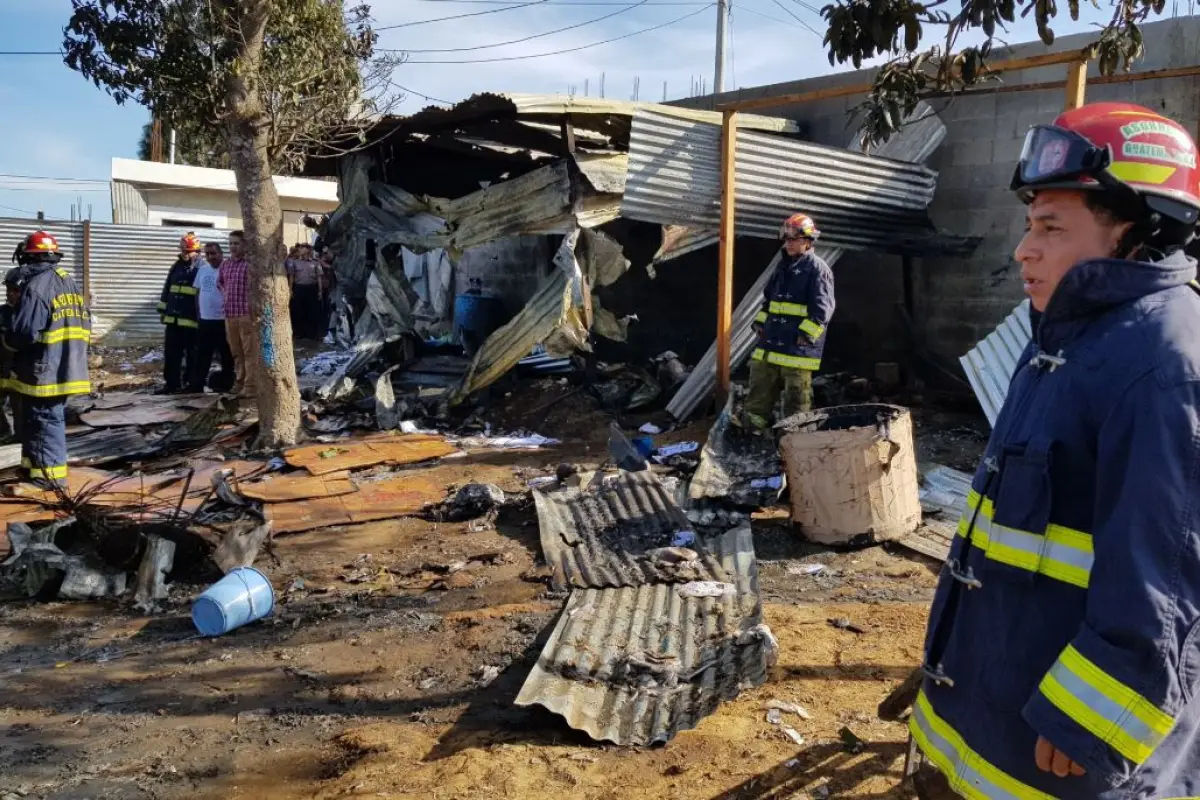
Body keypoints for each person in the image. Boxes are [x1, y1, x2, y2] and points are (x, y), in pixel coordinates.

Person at [909, 102, 1200, 799]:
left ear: (1134, 233)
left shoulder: (1164, 360)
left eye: (1050, 228)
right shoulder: (1064, 339)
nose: (1022, 249)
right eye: (1027, 225)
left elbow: (1172, 571)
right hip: (1010, 696)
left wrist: (1091, 721)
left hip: (1068, 754)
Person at [3, 231, 90, 487]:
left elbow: (25, 332)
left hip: (44, 367)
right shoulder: (67, 281)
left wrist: (7, 344)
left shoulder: (37, 285)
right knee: (42, 419)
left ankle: (50, 479)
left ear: (31, 258)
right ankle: (34, 469)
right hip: (66, 363)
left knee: (44, 420)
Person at [740, 213, 835, 431]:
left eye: (794, 239)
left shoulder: (818, 270)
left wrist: (806, 335)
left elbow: (823, 309)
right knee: (758, 391)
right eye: (787, 239)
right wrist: (760, 325)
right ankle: (751, 432)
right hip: (770, 344)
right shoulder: (782, 267)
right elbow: (769, 302)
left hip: (797, 348)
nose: (788, 243)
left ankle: (793, 440)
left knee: (796, 398)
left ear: (808, 240)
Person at [156, 232, 202, 394]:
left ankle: (190, 384)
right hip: (173, 319)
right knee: (171, 353)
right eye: (183, 250)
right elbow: (167, 288)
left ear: (197, 251)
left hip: (191, 320)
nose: (185, 254)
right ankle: (171, 384)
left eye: (189, 251)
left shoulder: (202, 268)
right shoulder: (176, 266)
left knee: (193, 355)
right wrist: (163, 308)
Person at [189, 241, 235, 393]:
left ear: (221, 254)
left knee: (226, 355)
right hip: (205, 320)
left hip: (223, 320)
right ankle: (196, 385)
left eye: (213, 253)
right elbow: (197, 292)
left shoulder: (228, 268)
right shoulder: (202, 270)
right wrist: (198, 314)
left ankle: (227, 385)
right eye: (207, 254)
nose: (210, 256)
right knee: (202, 355)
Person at [218, 230, 254, 397]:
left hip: (246, 314)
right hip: (230, 314)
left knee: (249, 351)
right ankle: (239, 381)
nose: (233, 246)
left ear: (245, 245)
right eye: (231, 243)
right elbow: (221, 283)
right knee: (236, 351)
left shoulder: (250, 265)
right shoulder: (226, 264)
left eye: (236, 243)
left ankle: (251, 385)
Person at [287, 243, 324, 340]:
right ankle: (299, 333)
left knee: (312, 312)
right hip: (299, 289)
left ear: (308, 250)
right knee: (298, 311)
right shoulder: (294, 262)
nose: (301, 251)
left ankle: (312, 334)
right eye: (300, 249)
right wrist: (290, 290)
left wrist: (320, 291)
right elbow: (291, 277)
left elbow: (319, 277)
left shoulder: (315, 263)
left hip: (312, 289)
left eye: (303, 249)